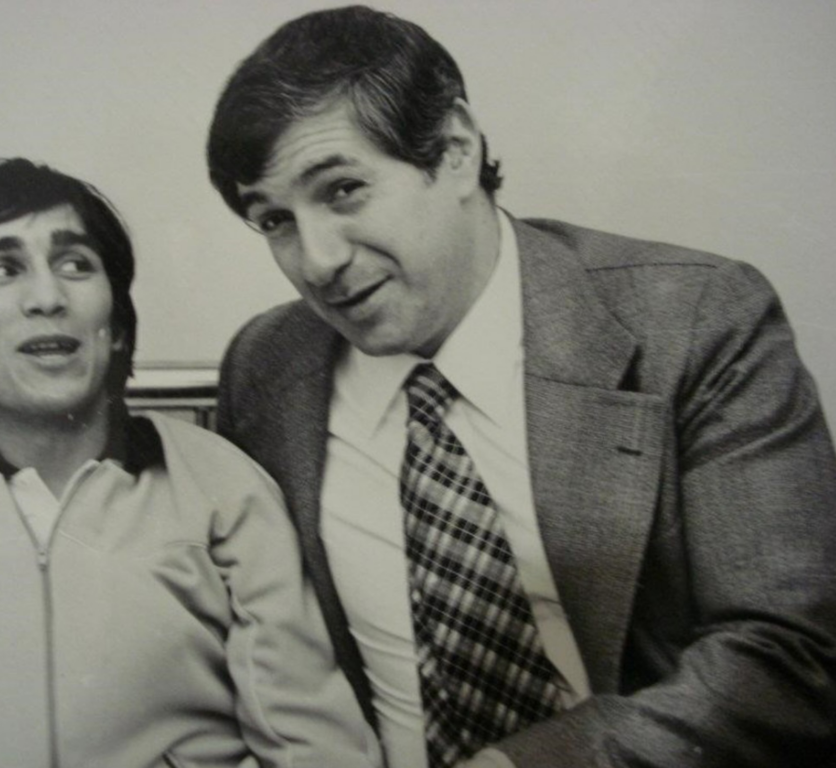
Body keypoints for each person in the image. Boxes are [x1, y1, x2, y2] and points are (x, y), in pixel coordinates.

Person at [205, 6, 836, 768]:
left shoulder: (698, 320)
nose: (317, 260)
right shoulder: (266, 368)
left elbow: (787, 656)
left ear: (456, 150)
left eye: (342, 190)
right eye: (274, 221)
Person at [0, 158, 381, 768]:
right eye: (1, 269)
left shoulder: (221, 491)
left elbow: (315, 750)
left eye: (76, 265)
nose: (48, 298)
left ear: (115, 323)